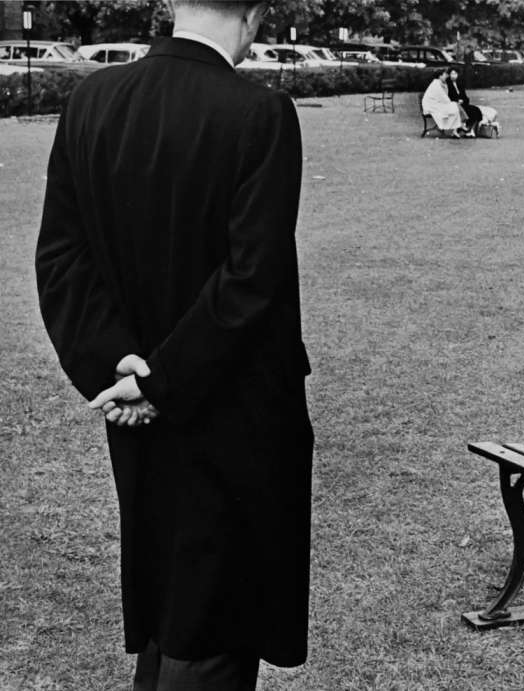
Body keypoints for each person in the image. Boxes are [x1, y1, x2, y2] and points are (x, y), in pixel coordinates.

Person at [34, 1, 314, 689]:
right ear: (254, 15)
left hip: (140, 400)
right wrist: (156, 379)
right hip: (229, 407)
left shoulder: (91, 100)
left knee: (170, 595)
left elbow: (61, 258)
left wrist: (117, 361)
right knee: (214, 614)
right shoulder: (260, 114)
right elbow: (251, 280)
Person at [421, 67, 467, 138]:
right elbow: (444, 98)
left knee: (454, 105)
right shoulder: (436, 84)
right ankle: (460, 125)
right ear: (440, 76)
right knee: (454, 106)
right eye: (445, 74)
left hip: (436, 104)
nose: (446, 76)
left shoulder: (439, 83)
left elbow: (444, 97)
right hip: (431, 107)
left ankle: (458, 127)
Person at [446, 68, 482, 136]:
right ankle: (463, 128)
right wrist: (457, 101)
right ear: (449, 75)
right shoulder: (447, 84)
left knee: (476, 109)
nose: (454, 75)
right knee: (468, 111)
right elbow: (448, 97)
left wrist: (463, 101)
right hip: (454, 105)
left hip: (462, 104)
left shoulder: (459, 84)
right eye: (452, 74)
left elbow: (465, 96)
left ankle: (470, 129)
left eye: (455, 74)